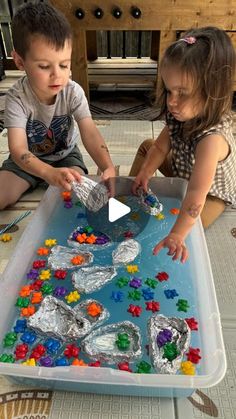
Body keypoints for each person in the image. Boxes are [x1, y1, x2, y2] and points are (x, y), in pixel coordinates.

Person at [130, 27, 236, 263]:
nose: (172, 102)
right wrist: (145, 172)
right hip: (183, 170)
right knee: (148, 146)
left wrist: (177, 234)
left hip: (210, 195)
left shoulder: (211, 140)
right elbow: (159, 148)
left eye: (182, 93)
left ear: (212, 91)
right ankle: (130, 194)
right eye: (169, 91)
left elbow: (196, 196)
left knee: (187, 226)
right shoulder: (179, 114)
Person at [0, 2, 115, 210]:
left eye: (64, 64)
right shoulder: (16, 98)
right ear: (19, 61)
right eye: (44, 66)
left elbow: (90, 133)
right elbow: (18, 150)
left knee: (80, 199)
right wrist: (47, 173)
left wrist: (106, 165)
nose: (57, 75)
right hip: (27, 161)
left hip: (66, 156)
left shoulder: (73, 92)